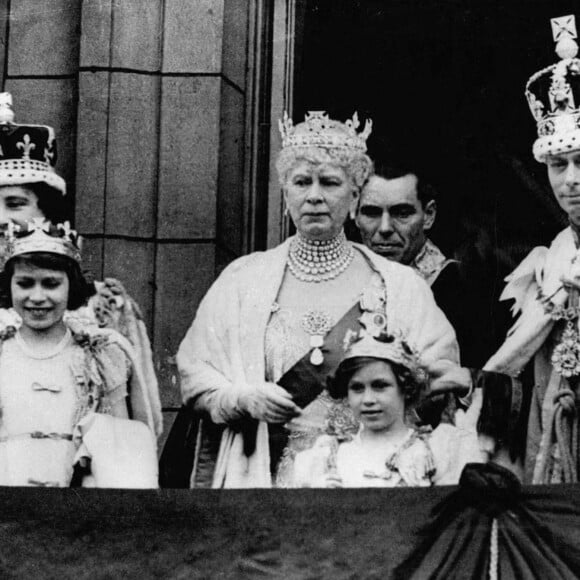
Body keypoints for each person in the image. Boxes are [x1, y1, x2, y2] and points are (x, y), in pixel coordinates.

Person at [174, 110, 459, 488]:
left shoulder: (400, 286)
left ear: (355, 195)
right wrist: (244, 398)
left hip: (371, 480)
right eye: (301, 182)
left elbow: (439, 375)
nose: (314, 196)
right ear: (285, 191)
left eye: (329, 183)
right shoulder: (242, 280)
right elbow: (195, 373)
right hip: (264, 476)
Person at [435, 15, 580, 484]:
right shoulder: (548, 264)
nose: (571, 180)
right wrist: (475, 381)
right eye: (558, 165)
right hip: (557, 444)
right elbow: (515, 368)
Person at [0, 92, 162, 439]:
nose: (1, 219)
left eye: (14, 203)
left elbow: (138, 424)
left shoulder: (100, 307)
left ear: (46, 212)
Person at [0, 219, 158, 487]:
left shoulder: (100, 356)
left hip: (77, 509)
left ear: (70, 286)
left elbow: (120, 449)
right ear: (9, 286)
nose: (37, 297)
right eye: (25, 284)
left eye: (51, 284)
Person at [291, 329, 483, 488]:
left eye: (380, 386)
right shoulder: (326, 457)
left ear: (406, 389)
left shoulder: (433, 450)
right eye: (357, 388)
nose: (368, 399)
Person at [355, 162, 498, 368]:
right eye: (371, 213)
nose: (385, 228)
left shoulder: (461, 290)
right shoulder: (342, 281)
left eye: (402, 213)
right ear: (355, 215)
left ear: (428, 215)